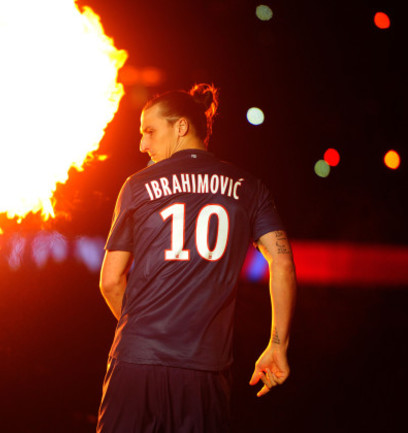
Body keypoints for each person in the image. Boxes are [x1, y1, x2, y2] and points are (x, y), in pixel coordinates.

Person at [97, 83, 297, 433]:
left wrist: (143, 333)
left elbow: (110, 281)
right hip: (204, 370)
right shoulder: (249, 187)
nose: (143, 144)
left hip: (136, 362)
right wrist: (277, 345)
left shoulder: (137, 185)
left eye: (149, 131)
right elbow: (281, 263)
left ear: (181, 127)